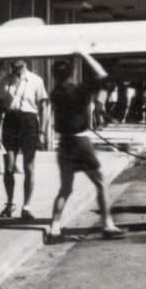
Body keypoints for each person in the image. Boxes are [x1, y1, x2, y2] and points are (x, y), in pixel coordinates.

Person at [45, 52, 127, 242]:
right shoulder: (79, 91)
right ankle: (108, 224)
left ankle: (54, 227)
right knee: (100, 183)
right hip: (81, 142)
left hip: (64, 143)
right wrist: (83, 55)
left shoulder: (56, 93)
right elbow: (102, 76)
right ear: (72, 74)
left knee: (65, 188)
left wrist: (72, 62)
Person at [0, 58, 50, 218]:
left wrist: (42, 131)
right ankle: (10, 203)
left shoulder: (36, 80)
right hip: (10, 122)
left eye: (18, 60)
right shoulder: (5, 82)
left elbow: (44, 106)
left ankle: (26, 206)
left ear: (24, 62)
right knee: (9, 167)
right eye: (13, 61)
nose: (15, 64)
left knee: (29, 167)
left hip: (29, 122)